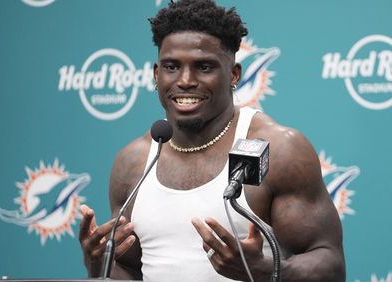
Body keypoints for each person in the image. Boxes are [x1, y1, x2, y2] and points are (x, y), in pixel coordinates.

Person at [79, 0, 345, 281]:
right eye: (171, 66)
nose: (185, 80)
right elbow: (128, 269)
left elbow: (331, 265)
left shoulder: (277, 149)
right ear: (156, 74)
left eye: (203, 67)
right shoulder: (134, 162)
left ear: (234, 74)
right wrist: (98, 266)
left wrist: (269, 272)